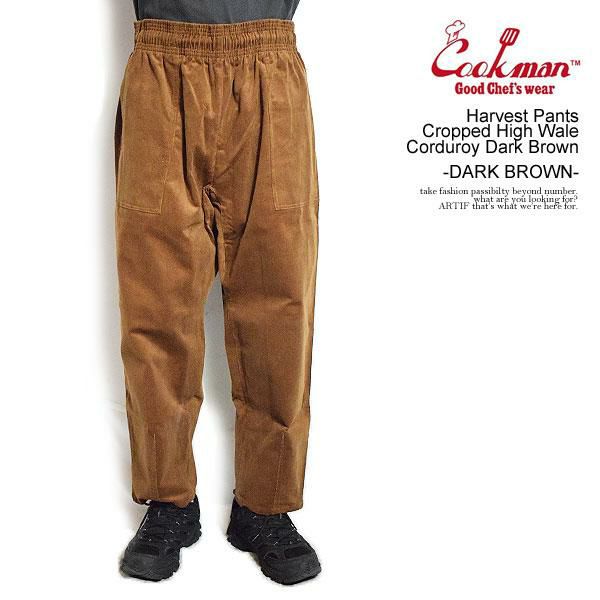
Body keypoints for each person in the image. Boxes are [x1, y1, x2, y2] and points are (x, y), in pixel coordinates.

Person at [114, 0, 321, 585]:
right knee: (155, 306)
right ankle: (168, 502)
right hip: (160, 69)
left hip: (269, 71)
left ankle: (265, 506)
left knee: (280, 304)